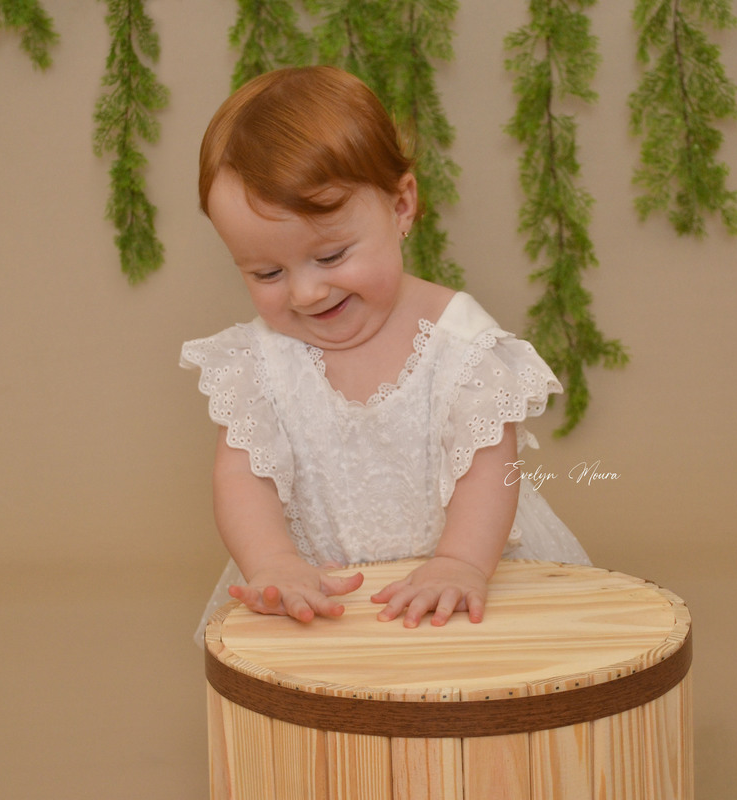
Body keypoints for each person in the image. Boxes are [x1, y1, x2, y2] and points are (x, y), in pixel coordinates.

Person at [181, 65, 589, 641]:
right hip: (327, 592)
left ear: (401, 206)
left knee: (475, 705)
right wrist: (272, 560)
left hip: (464, 575)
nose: (305, 292)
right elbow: (243, 478)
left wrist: (462, 563)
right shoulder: (261, 362)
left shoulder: (459, 343)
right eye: (266, 271)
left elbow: (488, 470)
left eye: (330, 256)